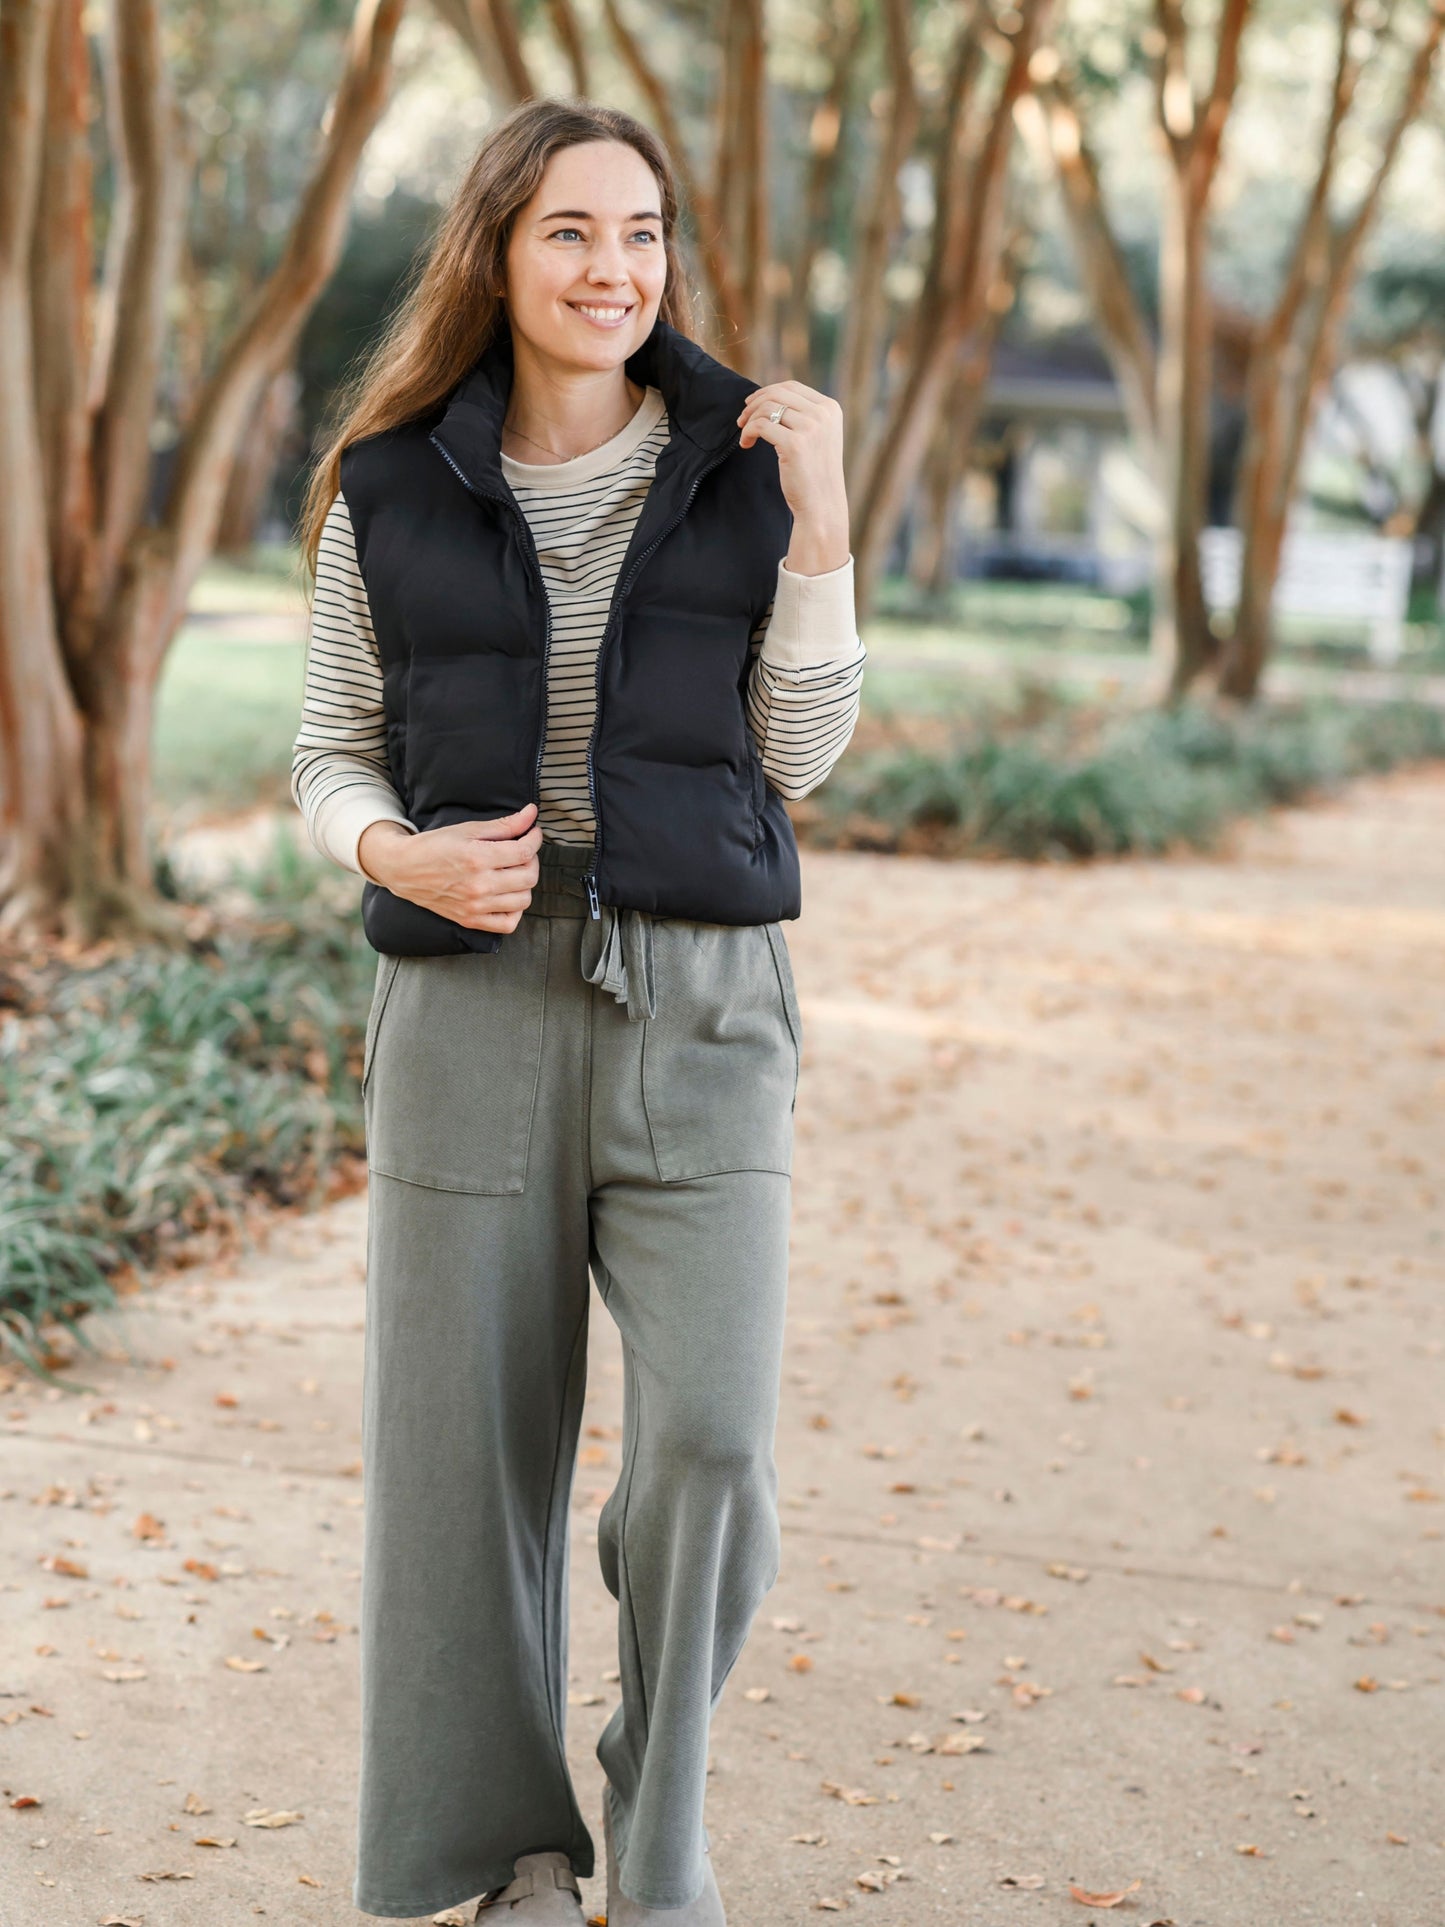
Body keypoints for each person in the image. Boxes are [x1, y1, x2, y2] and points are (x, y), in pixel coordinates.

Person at [291, 96, 865, 1925]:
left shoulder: (743, 462)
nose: (614, 268)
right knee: (463, 1468)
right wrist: (396, 853)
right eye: (570, 232)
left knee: (709, 1441)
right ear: (495, 250)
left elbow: (802, 754)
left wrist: (826, 527)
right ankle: (508, 1858)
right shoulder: (389, 483)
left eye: (642, 233)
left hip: (701, 1002)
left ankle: (657, 1820)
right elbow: (325, 751)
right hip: (468, 1008)